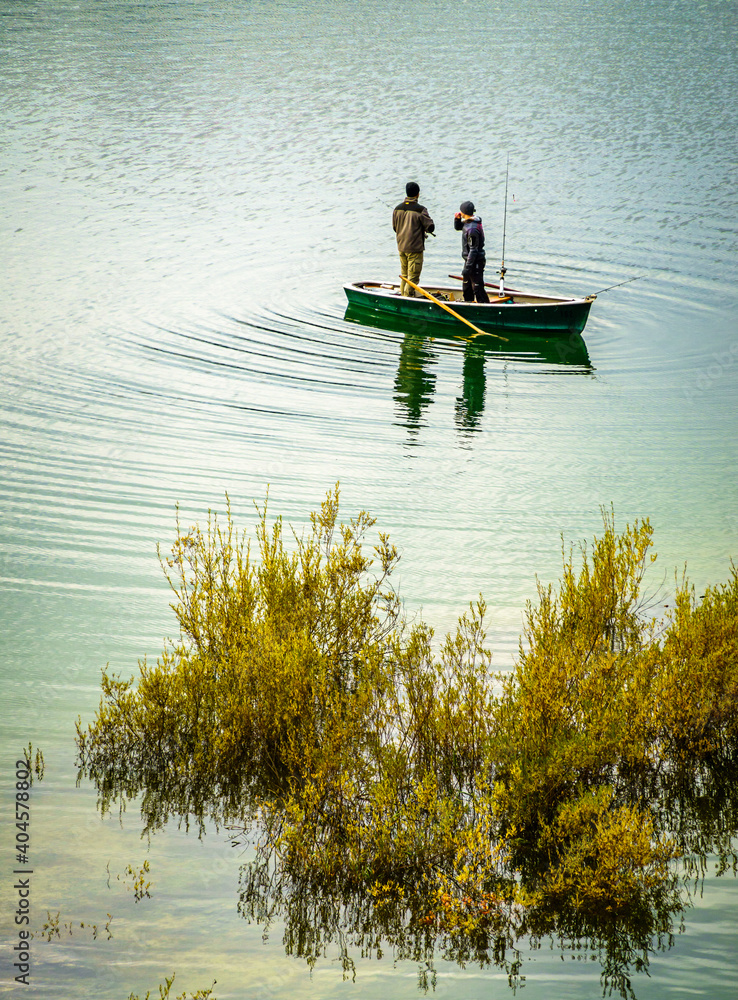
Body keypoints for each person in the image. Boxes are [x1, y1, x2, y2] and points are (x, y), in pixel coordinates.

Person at [392, 182, 435, 296]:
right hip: (414, 249)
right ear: (418, 194)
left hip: (401, 247)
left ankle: (403, 297)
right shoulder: (420, 210)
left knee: (404, 277)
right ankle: (407, 299)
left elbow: (395, 228)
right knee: (412, 279)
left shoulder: (397, 209)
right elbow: (430, 227)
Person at [454, 200, 490, 303]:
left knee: (477, 288)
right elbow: (458, 227)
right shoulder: (468, 223)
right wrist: (457, 220)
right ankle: (468, 304)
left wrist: (468, 268)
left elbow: (473, 250)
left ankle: (486, 308)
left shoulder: (472, 228)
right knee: (467, 287)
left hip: (475, 261)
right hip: (469, 260)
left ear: (464, 213)